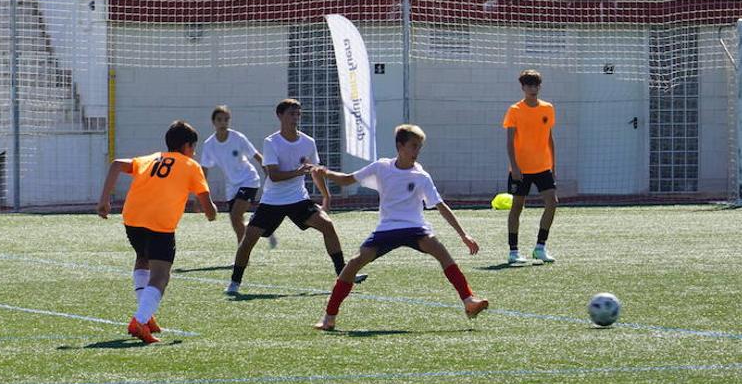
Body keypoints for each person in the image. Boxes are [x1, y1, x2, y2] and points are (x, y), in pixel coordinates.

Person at [311, 124, 488, 331]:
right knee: (353, 264)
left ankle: (469, 302)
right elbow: (348, 179)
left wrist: (463, 235)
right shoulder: (381, 167)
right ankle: (329, 318)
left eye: (419, 147)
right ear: (400, 146)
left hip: (415, 228)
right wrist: (326, 173)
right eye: (413, 146)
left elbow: (441, 206)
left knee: (443, 254)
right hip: (386, 229)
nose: (417, 151)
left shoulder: (421, 176)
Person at [226, 99, 365, 295]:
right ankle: (234, 282)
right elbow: (273, 175)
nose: (295, 117)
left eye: (298, 114)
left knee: (328, 226)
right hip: (272, 201)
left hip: (299, 199)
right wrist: (298, 172)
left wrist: (326, 195)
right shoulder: (271, 142)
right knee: (248, 239)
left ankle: (343, 274)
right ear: (280, 116)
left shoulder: (308, 142)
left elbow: (315, 171)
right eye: (291, 113)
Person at [97, 120, 216, 344]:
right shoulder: (191, 166)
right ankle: (139, 321)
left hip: (132, 219)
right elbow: (207, 205)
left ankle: (146, 314)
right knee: (161, 275)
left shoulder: (151, 158)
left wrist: (104, 200)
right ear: (187, 146)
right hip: (160, 223)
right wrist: (212, 214)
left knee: (142, 259)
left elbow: (115, 165)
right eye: (194, 147)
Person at [503, 69, 558, 265]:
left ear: (539, 86)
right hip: (521, 169)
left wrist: (553, 165)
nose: (532, 88)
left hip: (543, 166)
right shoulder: (515, 110)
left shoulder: (548, 108)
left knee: (552, 202)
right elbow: (510, 142)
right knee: (517, 207)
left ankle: (540, 247)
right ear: (523, 87)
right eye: (529, 85)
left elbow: (549, 138)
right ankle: (513, 251)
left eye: (535, 85)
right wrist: (515, 167)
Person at [198, 105, 273, 247]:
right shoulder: (209, 144)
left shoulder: (237, 138)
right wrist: (199, 193)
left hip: (249, 180)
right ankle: (255, 227)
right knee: (236, 221)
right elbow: (204, 169)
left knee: (235, 215)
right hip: (231, 186)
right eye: (219, 120)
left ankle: (242, 253)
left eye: (226, 120)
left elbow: (256, 155)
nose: (223, 123)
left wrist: (268, 172)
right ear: (213, 122)